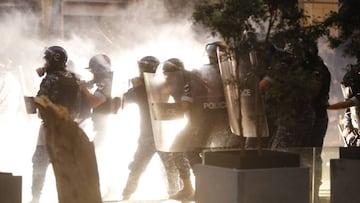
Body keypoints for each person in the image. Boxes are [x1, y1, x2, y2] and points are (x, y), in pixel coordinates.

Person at [169, 42, 242, 201]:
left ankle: (205, 187)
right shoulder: (220, 74)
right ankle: (194, 187)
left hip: (211, 123)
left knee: (187, 149)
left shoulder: (229, 74)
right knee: (188, 149)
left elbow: (186, 103)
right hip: (221, 122)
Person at [121, 56, 179, 200]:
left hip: (150, 134)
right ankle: (175, 194)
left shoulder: (141, 88)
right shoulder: (163, 84)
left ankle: (126, 195)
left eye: (141, 67)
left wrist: (135, 86)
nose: (139, 70)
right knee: (170, 168)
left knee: (138, 168)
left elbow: (125, 99)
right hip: (162, 133)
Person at [30, 45, 80, 203]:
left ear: (53, 60)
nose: (45, 62)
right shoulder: (73, 78)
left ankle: (35, 197)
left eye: (47, 59)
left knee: (40, 161)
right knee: (65, 164)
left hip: (50, 126)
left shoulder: (51, 78)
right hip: (68, 125)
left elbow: (41, 100)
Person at [79, 54, 114, 148]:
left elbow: (94, 102)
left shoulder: (106, 82)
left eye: (93, 70)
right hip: (100, 125)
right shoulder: (105, 80)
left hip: (103, 127)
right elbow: (93, 83)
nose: (92, 73)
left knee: (94, 151)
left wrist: (84, 89)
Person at [328, 62, 360, 146]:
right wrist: (347, 126)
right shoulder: (352, 99)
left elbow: (344, 105)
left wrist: (327, 107)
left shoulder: (357, 98)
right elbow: (348, 112)